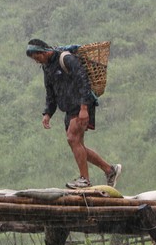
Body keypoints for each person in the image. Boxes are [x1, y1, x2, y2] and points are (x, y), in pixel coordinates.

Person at [26, 39, 122, 189]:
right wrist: (47, 113)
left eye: (37, 58)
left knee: (72, 139)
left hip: (82, 104)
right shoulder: (47, 67)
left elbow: (83, 80)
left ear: (43, 52)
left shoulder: (65, 58)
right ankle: (110, 170)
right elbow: (50, 92)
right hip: (69, 108)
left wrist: (84, 107)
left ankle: (85, 180)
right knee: (77, 144)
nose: (37, 62)